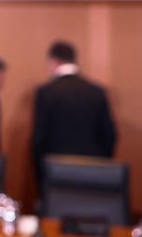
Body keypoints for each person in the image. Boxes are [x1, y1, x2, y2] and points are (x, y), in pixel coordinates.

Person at [31, 40, 117, 181]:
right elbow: (109, 135)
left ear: (53, 61)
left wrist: (41, 177)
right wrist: (101, 164)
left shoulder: (46, 92)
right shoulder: (97, 92)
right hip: (93, 172)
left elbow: (39, 140)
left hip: (56, 173)